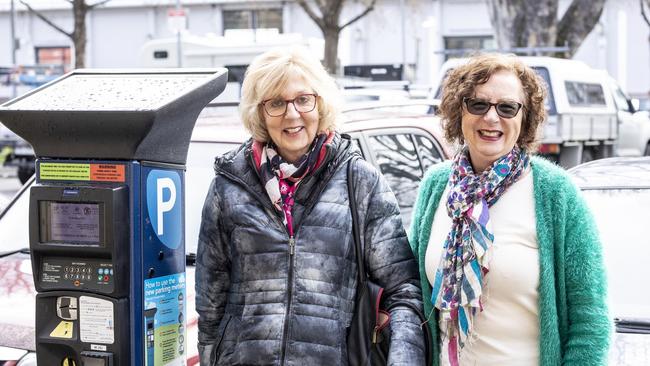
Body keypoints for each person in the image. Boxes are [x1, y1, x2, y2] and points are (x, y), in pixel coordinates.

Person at [195, 46, 426, 366]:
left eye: (303, 99)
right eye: (276, 102)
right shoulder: (229, 186)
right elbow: (210, 307)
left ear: (321, 104)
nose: (292, 114)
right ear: (259, 112)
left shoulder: (359, 182)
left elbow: (403, 294)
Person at [409, 53, 610, 366]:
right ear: (458, 111)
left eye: (507, 107)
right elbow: (410, 289)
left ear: (524, 117)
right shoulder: (437, 186)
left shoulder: (557, 194)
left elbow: (590, 324)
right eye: (478, 104)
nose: (491, 118)